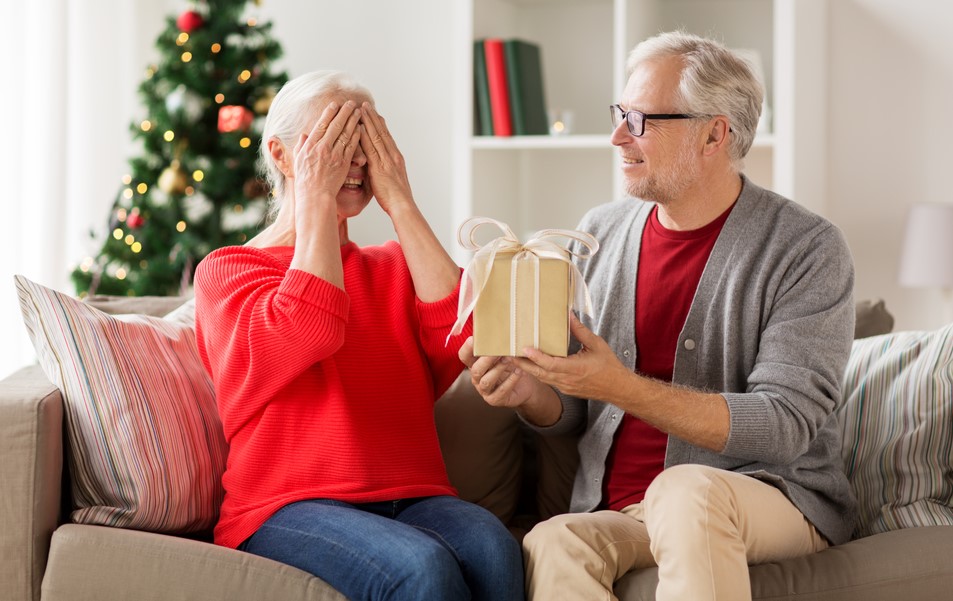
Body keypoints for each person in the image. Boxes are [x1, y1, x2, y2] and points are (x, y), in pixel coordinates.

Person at [459, 31, 857, 601]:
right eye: (620, 114)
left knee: (684, 491)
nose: (618, 136)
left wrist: (619, 384)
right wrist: (532, 392)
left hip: (770, 496)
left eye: (642, 120)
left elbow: (784, 426)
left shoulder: (805, 248)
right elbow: (574, 409)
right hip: (625, 507)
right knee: (552, 541)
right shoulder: (598, 232)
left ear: (715, 134)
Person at [194, 70, 524, 601]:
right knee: (421, 569)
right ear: (281, 156)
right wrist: (318, 203)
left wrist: (401, 202)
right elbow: (310, 326)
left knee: (494, 548)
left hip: (414, 495)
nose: (355, 160)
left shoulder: (394, 265)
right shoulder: (229, 270)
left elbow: (465, 335)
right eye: (334, 140)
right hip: (286, 506)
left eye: (367, 141)